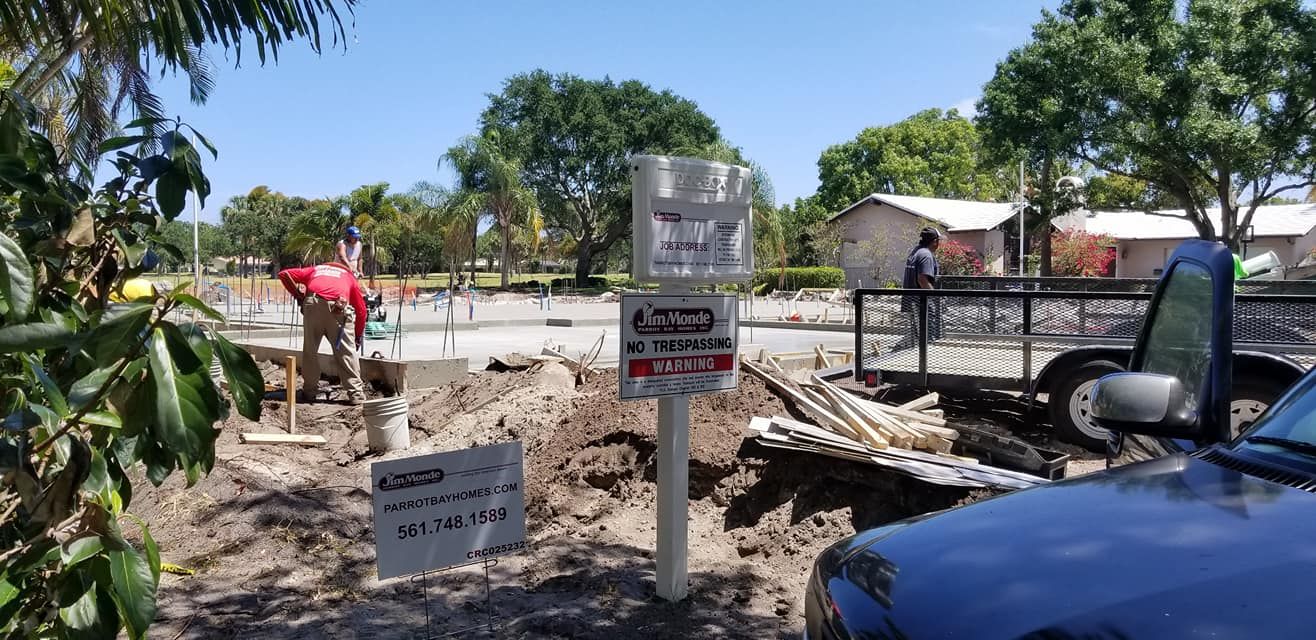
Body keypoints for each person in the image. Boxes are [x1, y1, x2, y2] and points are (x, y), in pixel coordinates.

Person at [278, 262, 367, 405]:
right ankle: (355, 394)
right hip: (337, 308)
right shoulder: (349, 277)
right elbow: (362, 311)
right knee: (346, 353)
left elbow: (284, 274)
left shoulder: (315, 270)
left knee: (310, 350)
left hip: (312, 303)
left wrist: (298, 295)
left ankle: (309, 391)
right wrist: (357, 337)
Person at [898, 227, 944, 349]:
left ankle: (922, 357)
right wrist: (934, 298)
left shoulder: (916, 252)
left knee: (919, 336)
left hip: (913, 303)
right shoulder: (926, 255)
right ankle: (928, 361)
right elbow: (922, 280)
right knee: (929, 338)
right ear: (935, 241)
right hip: (922, 305)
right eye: (939, 240)